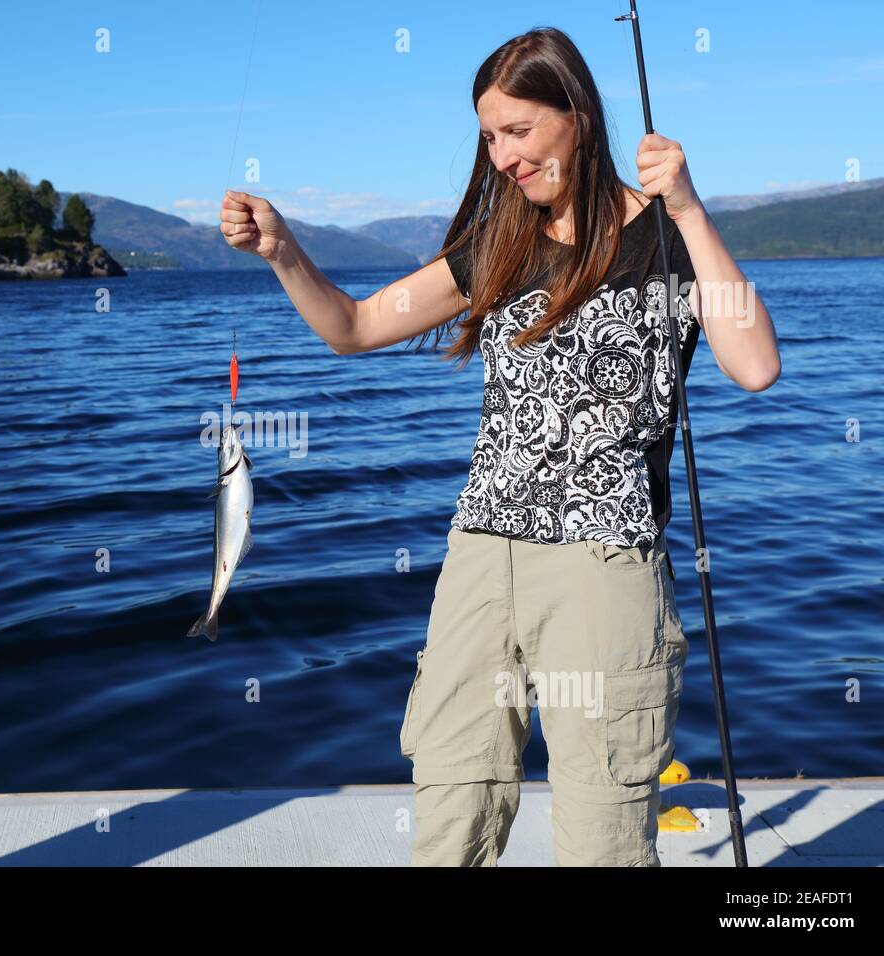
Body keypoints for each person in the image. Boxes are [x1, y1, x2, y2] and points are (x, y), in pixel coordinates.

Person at [217, 26, 780, 866]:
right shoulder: (497, 245)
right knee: (451, 817)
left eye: (519, 130)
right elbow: (356, 327)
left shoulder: (667, 240)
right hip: (480, 558)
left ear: (577, 117)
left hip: (602, 566)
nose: (503, 156)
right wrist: (282, 252)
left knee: (603, 840)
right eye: (489, 137)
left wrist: (691, 211)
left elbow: (756, 364)